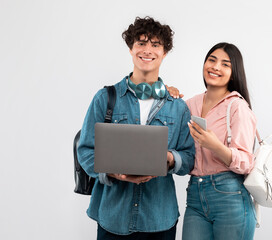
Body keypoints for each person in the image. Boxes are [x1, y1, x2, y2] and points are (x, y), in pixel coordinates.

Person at [77, 16, 195, 240]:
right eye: (141, 43)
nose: (147, 50)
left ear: (165, 53)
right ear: (131, 49)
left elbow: (189, 158)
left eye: (155, 44)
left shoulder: (177, 106)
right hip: (113, 217)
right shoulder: (105, 98)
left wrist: (169, 158)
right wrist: (113, 172)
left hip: (159, 219)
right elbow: (85, 150)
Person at [182, 42, 257, 240]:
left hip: (229, 196)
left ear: (233, 73)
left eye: (225, 64)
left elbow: (247, 162)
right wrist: (168, 93)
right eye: (212, 60)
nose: (215, 67)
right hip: (195, 195)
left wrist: (215, 146)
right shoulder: (191, 104)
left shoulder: (237, 106)